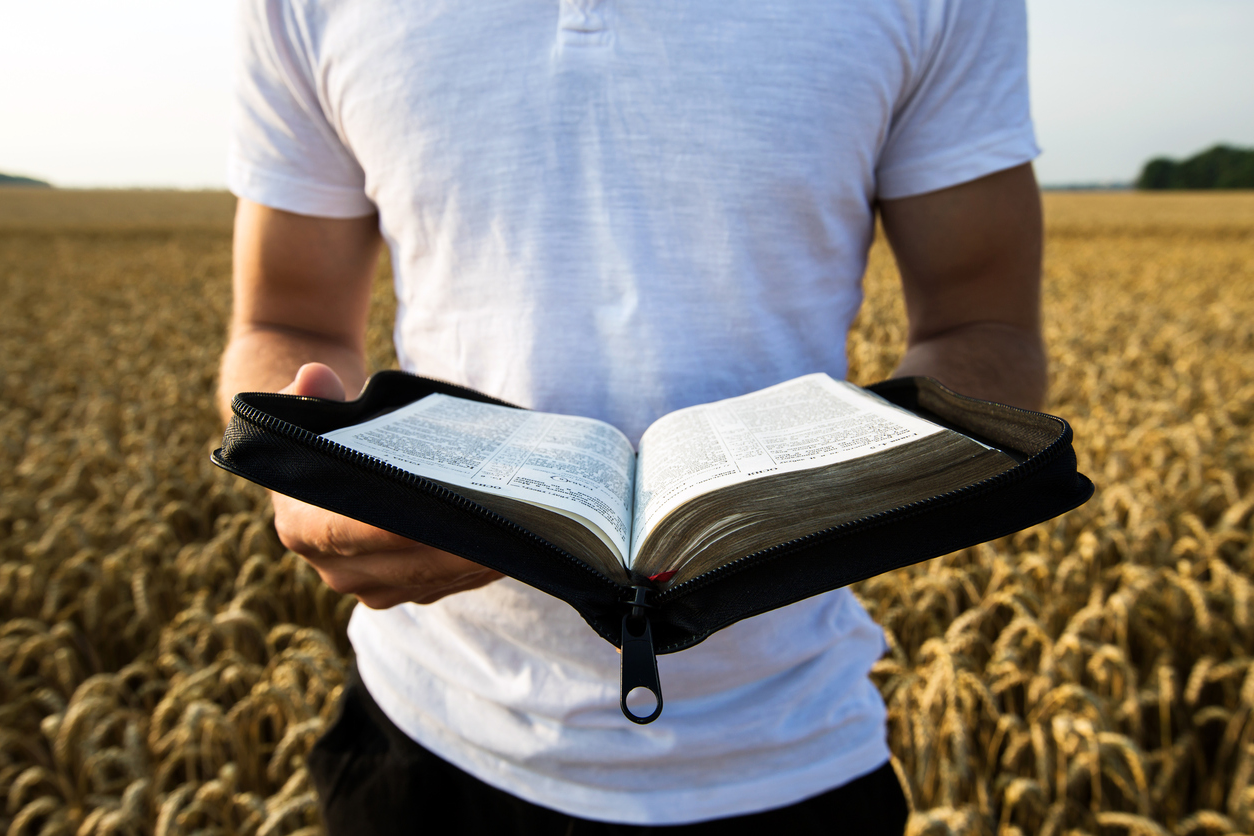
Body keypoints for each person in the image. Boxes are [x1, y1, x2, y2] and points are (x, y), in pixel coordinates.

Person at [218, 0, 1046, 832]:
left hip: (790, 745)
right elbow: (286, 322)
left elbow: (983, 325)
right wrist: (309, 477)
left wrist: (875, 481)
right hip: (424, 735)